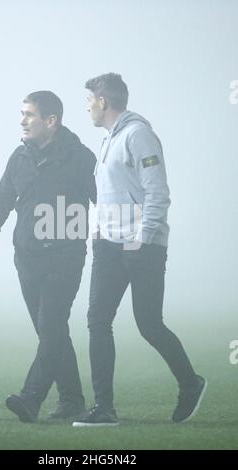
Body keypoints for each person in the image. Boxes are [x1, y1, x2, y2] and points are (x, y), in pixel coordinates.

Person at [73, 73, 207, 427]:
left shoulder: (138, 135)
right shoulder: (106, 140)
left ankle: (191, 384)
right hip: (108, 245)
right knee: (97, 321)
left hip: (141, 246)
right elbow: (110, 192)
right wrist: (99, 229)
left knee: (149, 325)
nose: (86, 105)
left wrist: (141, 239)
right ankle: (104, 409)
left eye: (89, 99)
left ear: (103, 101)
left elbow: (157, 193)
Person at [0, 91, 96, 423]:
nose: (22, 120)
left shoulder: (81, 158)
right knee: (50, 332)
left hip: (65, 257)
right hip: (27, 259)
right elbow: (2, 198)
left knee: (51, 325)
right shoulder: (19, 157)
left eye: (29, 114)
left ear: (51, 121)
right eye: (22, 113)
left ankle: (31, 398)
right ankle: (71, 400)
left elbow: (106, 197)